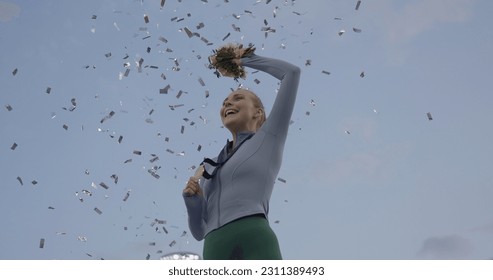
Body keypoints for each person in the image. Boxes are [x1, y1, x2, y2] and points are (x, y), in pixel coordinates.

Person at [182, 44, 301, 260]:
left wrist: (243, 60)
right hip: (213, 247)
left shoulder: (269, 138)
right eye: (225, 102)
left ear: (258, 113)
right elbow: (199, 232)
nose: (228, 102)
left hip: (253, 238)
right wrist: (193, 203)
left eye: (238, 98)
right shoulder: (209, 166)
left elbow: (291, 73)